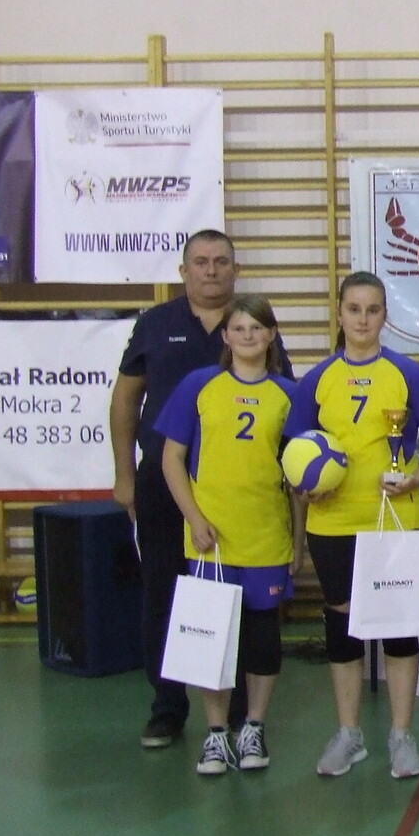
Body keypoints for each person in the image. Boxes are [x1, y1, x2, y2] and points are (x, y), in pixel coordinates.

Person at [111, 230, 292, 750]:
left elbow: (285, 406)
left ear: (235, 269)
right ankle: (168, 707)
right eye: (200, 262)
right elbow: (125, 401)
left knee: (233, 596)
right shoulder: (155, 324)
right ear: (183, 270)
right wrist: (124, 475)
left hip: (235, 487)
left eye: (220, 262)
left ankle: (236, 713)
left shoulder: (251, 323)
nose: (211, 270)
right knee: (165, 591)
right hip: (165, 478)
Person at [284, 271, 419, 779]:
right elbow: (294, 452)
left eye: (373, 309)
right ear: (339, 313)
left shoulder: (408, 374)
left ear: (385, 315)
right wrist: (306, 487)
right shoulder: (317, 380)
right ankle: (349, 734)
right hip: (333, 521)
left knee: (399, 626)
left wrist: (416, 477)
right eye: (354, 309)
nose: (362, 319)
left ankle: (401, 735)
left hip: (396, 520)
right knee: (342, 626)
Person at [156, 295, 304, 775]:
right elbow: (171, 459)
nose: (247, 336)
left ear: (271, 335)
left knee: (262, 638)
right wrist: (194, 518)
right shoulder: (199, 386)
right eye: (238, 328)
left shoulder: (288, 395)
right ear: (225, 336)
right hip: (211, 539)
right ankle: (217, 733)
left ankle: (253, 727)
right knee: (212, 638)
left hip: (266, 535)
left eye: (256, 328)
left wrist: (299, 540)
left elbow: (300, 476)